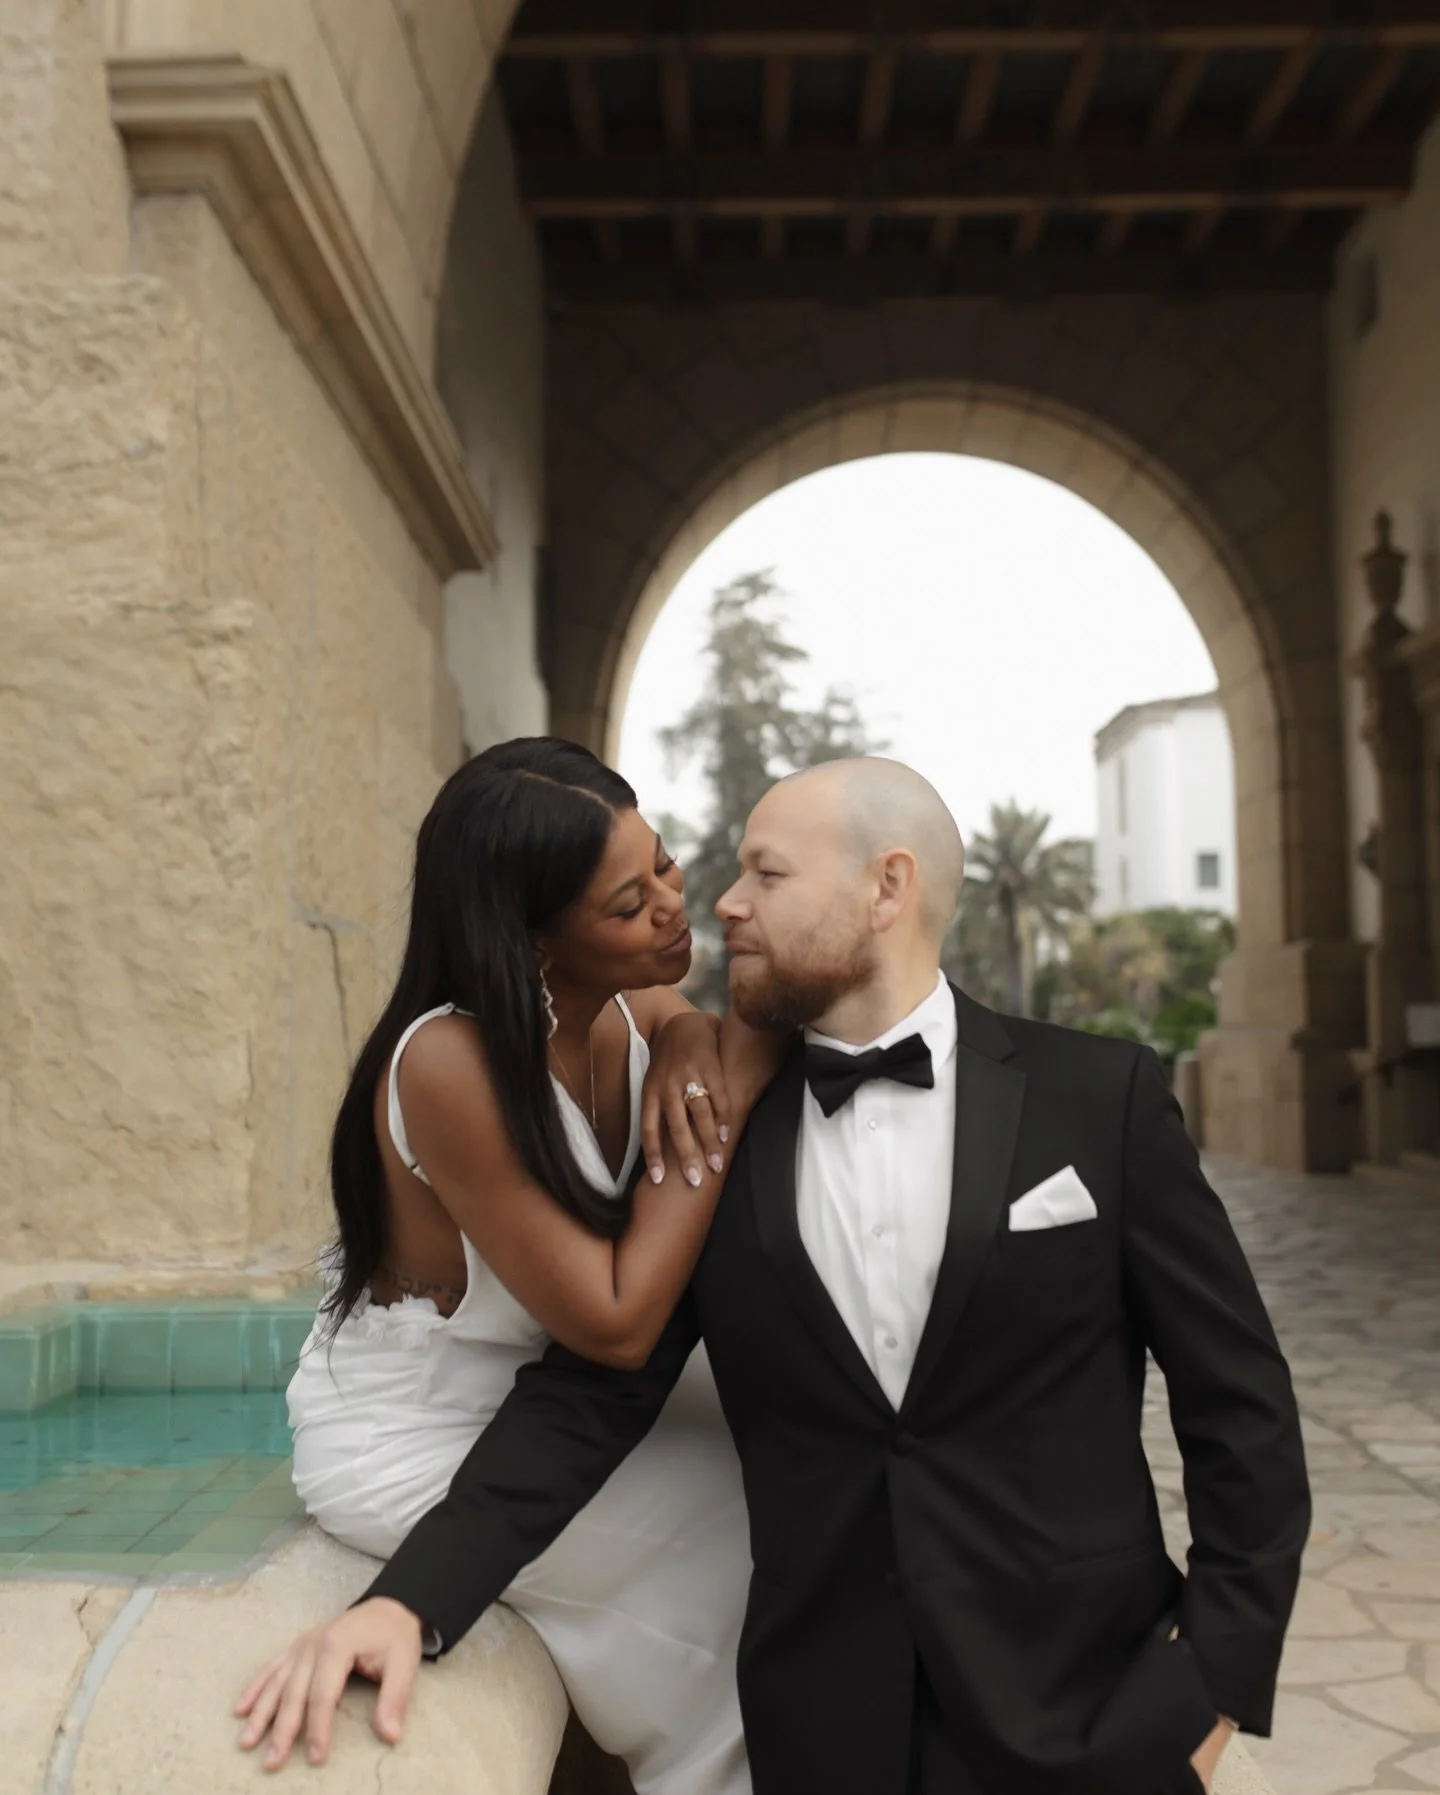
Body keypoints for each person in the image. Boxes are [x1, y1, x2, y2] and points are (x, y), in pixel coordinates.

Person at [243, 756, 1310, 1795]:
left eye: (767, 873)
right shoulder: (719, 1147)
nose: (718, 903)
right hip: (824, 1733)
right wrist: (410, 1603)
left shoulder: (1100, 1098)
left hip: (1090, 1715)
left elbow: (1241, 1406)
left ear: (887, 886)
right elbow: (593, 1393)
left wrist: (1209, 1687)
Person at [244, 738, 780, 1794]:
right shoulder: (451, 1061)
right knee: (743, 1524)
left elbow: (691, 1032)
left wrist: (686, 1049)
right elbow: (615, 1322)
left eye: (665, 865)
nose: (675, 907)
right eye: (629, 904)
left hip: (541, 1401)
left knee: (810, 1456)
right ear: (535, 938)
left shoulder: (633, 1009)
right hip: (422, 1433)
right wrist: (726, 1096)